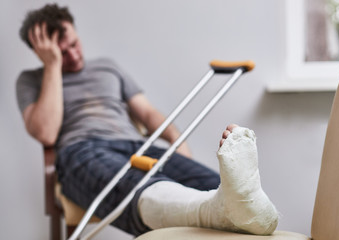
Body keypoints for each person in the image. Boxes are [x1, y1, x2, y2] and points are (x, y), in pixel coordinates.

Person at [16, 4, 278, 237]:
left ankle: (240, 207)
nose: (73, 56)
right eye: (62, 53)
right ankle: (211, 210)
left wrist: (177, 139)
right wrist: (52, 67)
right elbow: (47, 133)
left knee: (215, 185)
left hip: (136, 145)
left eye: (74, 44)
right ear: (42, 52)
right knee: (133, 186)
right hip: (83, 151)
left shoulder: (107, 66)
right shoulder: (32, 81)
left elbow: (147, 112)